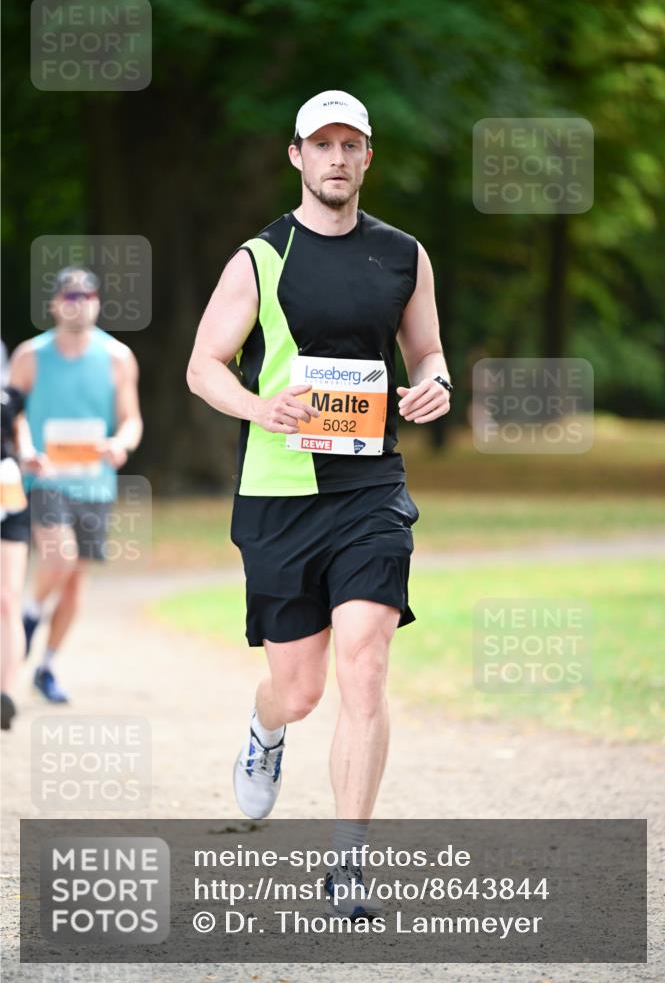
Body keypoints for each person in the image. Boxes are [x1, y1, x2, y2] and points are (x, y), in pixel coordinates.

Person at [187, 90, 452, 918]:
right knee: (298, 690)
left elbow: (428, 349)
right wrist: (258, 407)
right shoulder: (258, 259)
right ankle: (267, 730)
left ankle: (347, 867)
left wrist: (436, 384)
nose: (337, 157)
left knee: (364, 665)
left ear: (368, 156)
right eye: (322, 144)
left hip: (369, 486)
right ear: (296, 155)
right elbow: (203, 366)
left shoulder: (404, 254)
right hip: (278, 491)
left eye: (352, 144)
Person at [9, 266, 143, 704]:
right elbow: (13, 413)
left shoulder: (118, 357)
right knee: (60, 555)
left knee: (73, 582)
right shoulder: (31, 355)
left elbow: (131, 419)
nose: (78, 303)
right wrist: (26, 448)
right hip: (45, 477)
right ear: (53, 304)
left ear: (98, 302)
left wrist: (119, 443)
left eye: (86, 295)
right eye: (69, 296)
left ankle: (46, 665)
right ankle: (28, 617)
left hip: (94, 482)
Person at [1, 342, 47, 730]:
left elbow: (21, 432)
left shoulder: (10, 391)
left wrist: (30, 454)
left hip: (7, 496)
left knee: (7, 599)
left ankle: (6, 694)